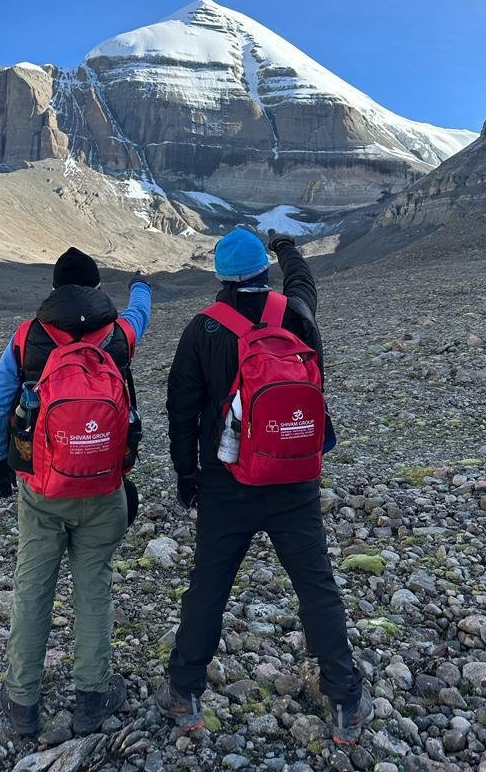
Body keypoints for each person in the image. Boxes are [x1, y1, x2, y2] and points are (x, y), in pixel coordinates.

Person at [155, 228, 371, 745]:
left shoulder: (202, 330)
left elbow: (181, 411)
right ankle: (343, 699)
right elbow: (304, 283)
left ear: (221, 278)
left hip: (227, 483)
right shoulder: (295, 313)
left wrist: (188, 475)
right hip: (295, 475)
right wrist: (288, 249)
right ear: (262, 272)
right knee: (315, 583)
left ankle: (184, 692)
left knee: (209, 585)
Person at [0, 247, 151, 737]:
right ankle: (93, 698)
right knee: (93, 586)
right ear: (98, 289)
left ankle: (21, 702)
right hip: (106, 485)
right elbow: (141, 311)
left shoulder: (28, 336)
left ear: (54, 291)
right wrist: (141, 286)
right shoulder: (118, 333)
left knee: (33, 589)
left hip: (41, 488)